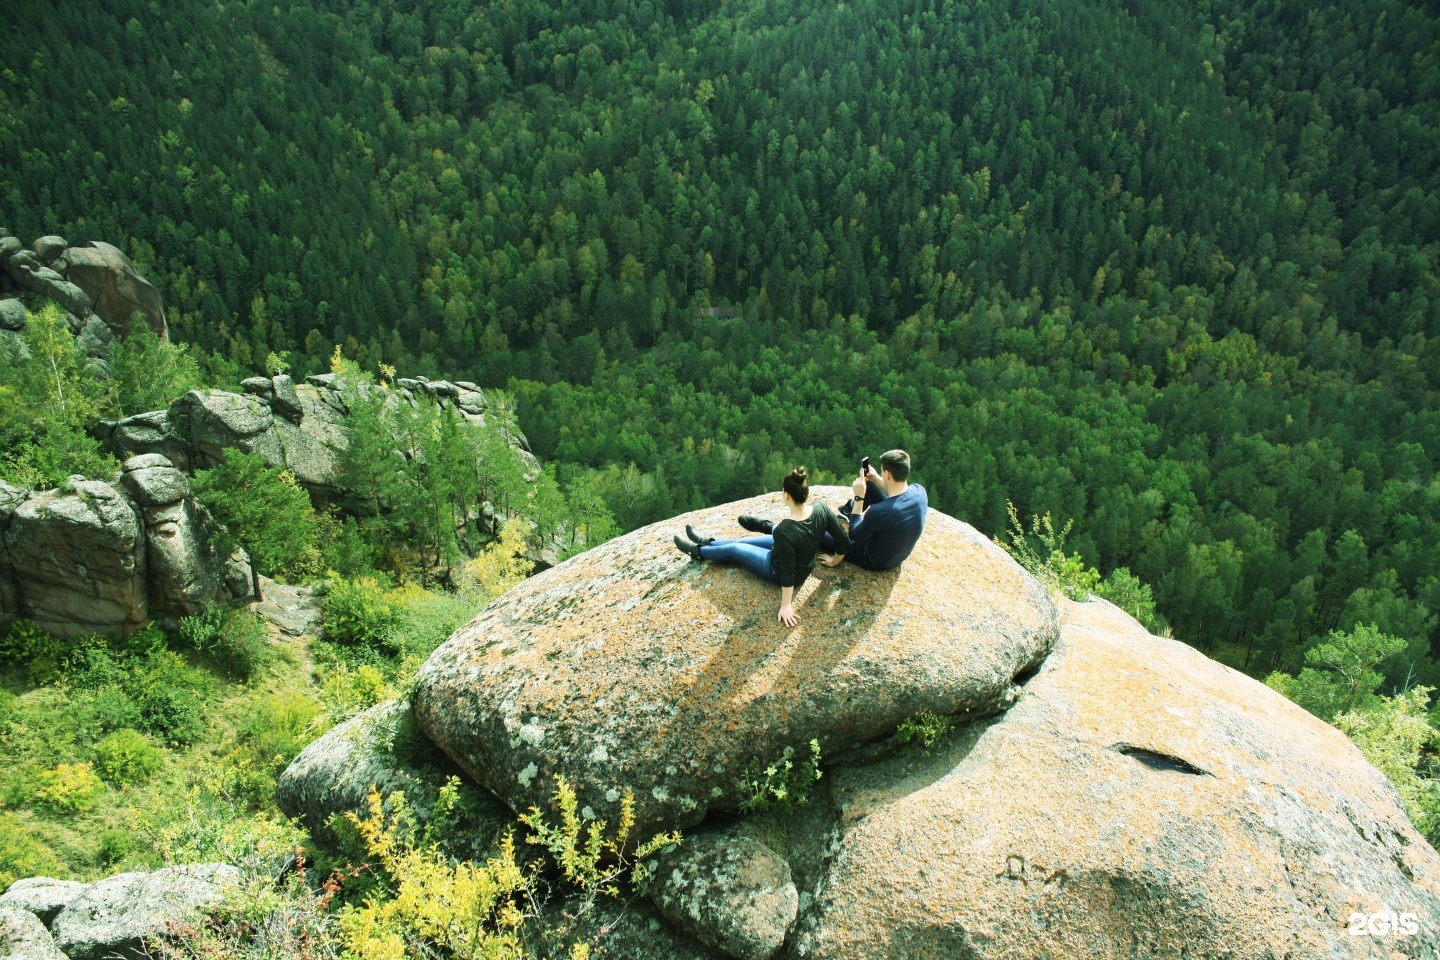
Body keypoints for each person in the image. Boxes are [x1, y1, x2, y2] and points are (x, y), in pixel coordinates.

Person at [674, 466, 848, 627]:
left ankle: (697, 551)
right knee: (740, 543)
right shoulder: (821, 509)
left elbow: (787, 571)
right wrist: (835, 561)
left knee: (734, 550)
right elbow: (842, 540)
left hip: (776, 570)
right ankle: (708, 542)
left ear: (786, 495)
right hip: (791, 554)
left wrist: (786, 605)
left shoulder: (785, 531)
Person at [738, 449, 926, 571]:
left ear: (889, 474)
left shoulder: (880, 511)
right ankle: (849, 510)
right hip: (898, 552)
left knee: (816, 531)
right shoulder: (919, 492)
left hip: (874, 559)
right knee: (870, 484)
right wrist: (876, 478)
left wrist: (859, 497)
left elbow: (854, 534)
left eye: (883, 473)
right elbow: (894, 493)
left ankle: (773, 527)